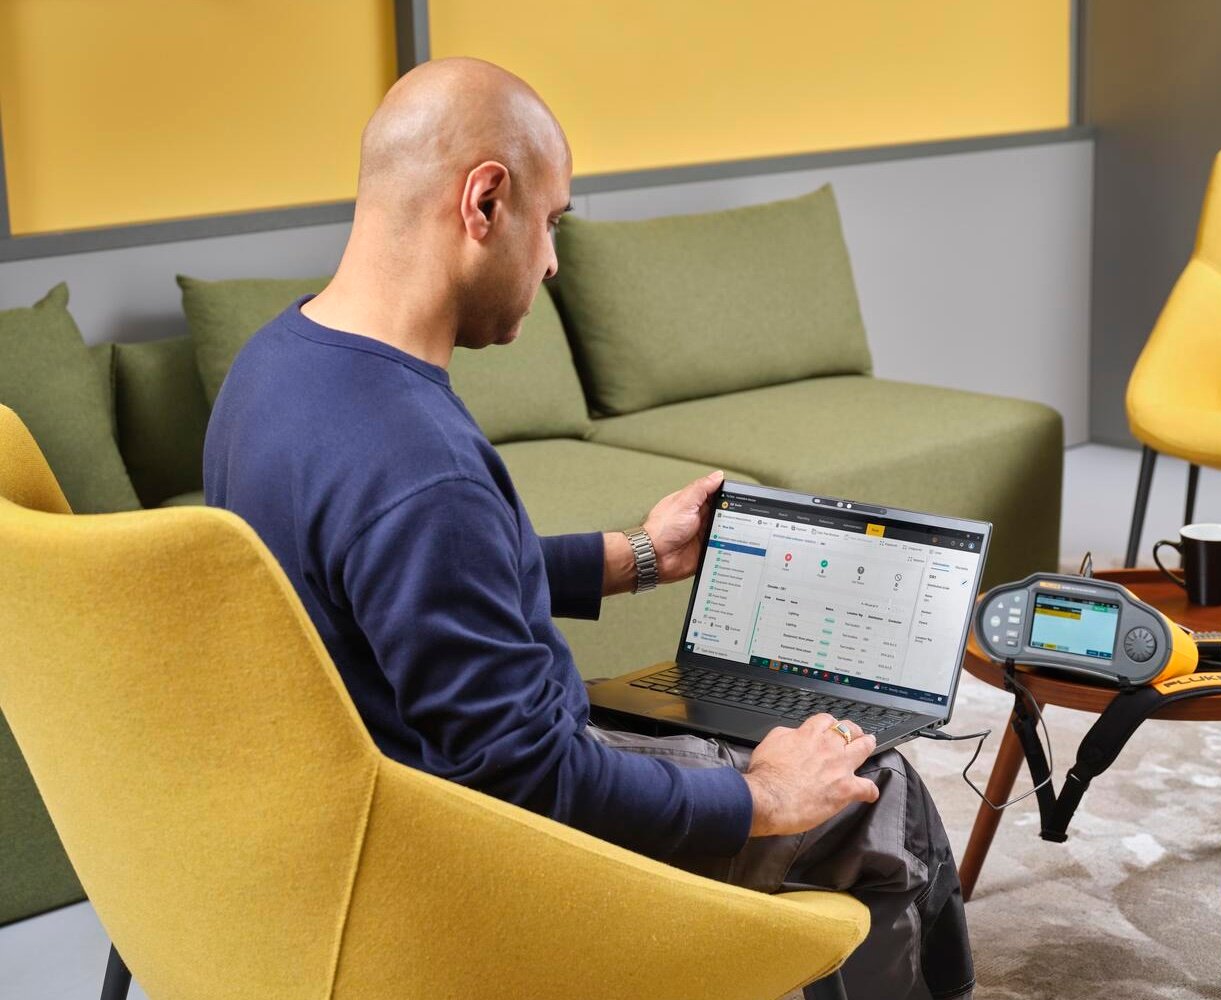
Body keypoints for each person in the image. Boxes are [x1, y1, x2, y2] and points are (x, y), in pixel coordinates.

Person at [203, 56, 973, 999]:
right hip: (490, 870)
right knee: (874, 789)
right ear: (484, 202)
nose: (556, 259)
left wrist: (636, 559)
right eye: (553, 220)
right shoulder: (419, 462)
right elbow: (530, 781)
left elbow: (392, 580)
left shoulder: (275, 367)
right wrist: (762, 797)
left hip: (360, 815)